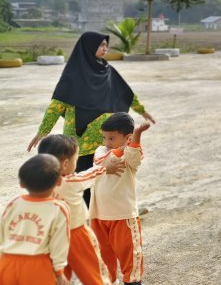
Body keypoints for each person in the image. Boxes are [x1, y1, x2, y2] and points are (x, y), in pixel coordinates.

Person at [27, 32, 155, 204]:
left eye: (106, 45)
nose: (105, 49)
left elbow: (125, 94)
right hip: (81, 141)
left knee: (108, 179)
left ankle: (107, 215)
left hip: (106, 142)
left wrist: (142, 111)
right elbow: (57, 104)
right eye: (101, 45)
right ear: (88, 47)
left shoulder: (107, 70)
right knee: (84, 183)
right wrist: (43, 131)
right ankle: (85, 220)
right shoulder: (73, 75)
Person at [38, 135, 133, 285]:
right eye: (76, 158)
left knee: (58, 282)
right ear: (65, 164)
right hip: (77, 235)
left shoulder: (38, 187)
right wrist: (108, 168)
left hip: (51, 241)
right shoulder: (72, 181)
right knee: (95, 271)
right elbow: (91, 173)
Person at [0, 155, 76, 285]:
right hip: (37, 266)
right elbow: (59, 246)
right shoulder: (58, 208)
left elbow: (3, 232)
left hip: (7, 263)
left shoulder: (14, 203)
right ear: (58, 181)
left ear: (21, 183)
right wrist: (60, 274)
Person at [89, 113, 149, 285]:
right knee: (101, 250)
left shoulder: (132, 154)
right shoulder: (100, 150)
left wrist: (137, 136)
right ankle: (107, 280)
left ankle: (133, 282)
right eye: (105, 137)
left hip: (123, 213)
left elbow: (134, 158)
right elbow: (102, 161)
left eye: (112, 138)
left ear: (127, 137)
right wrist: (119, 148)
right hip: (99, 213)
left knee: (127, 250)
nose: (106, 142)